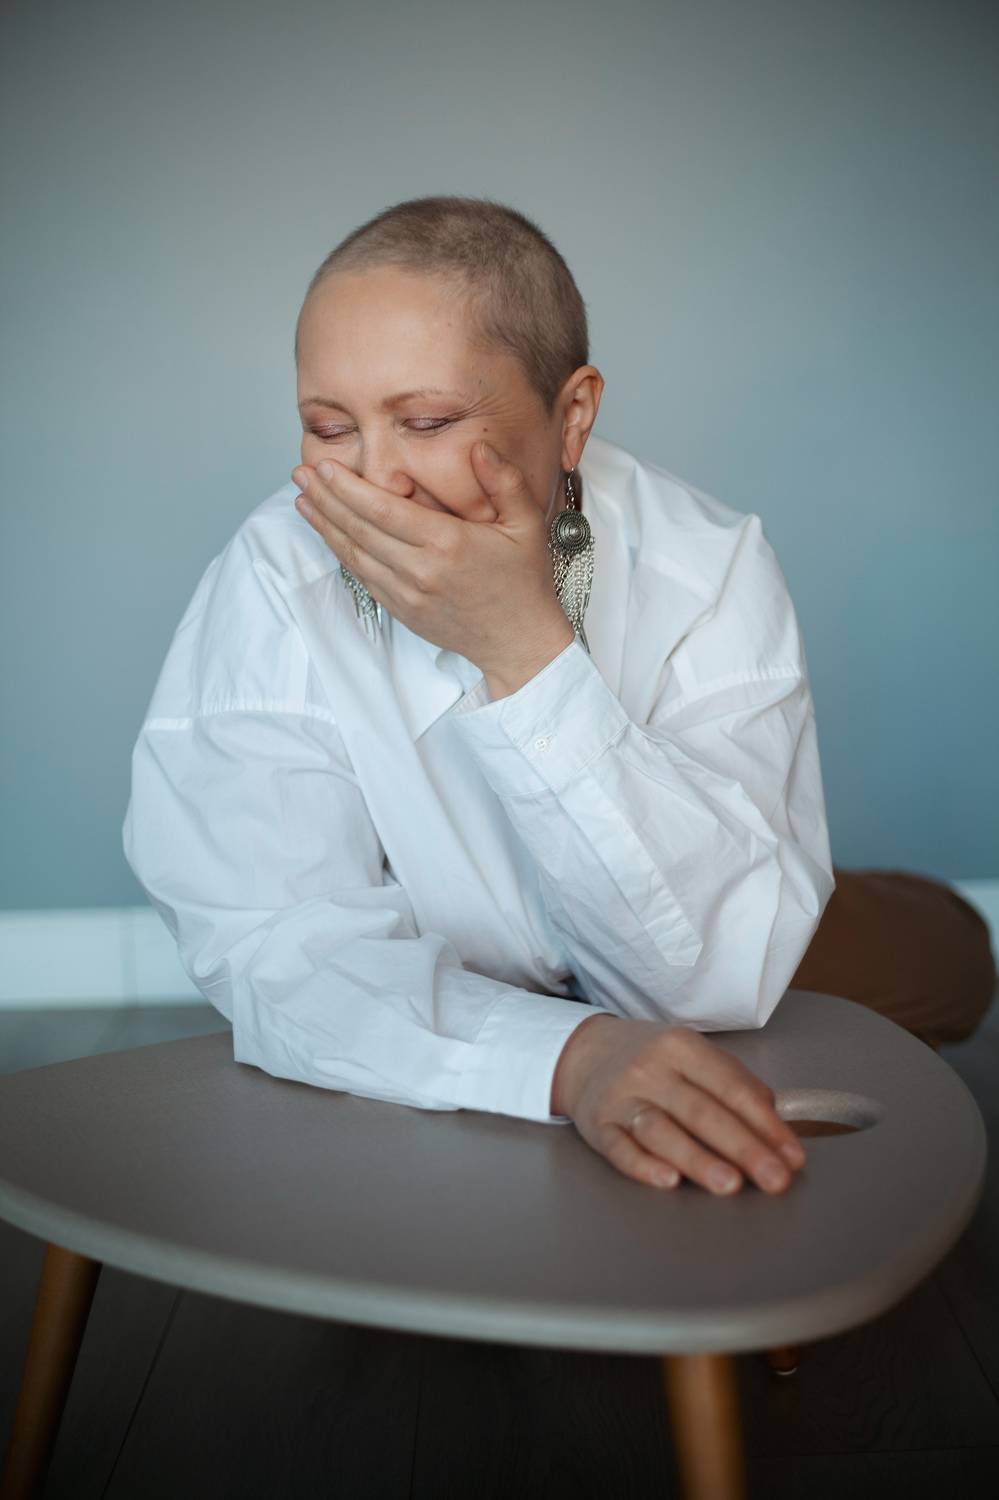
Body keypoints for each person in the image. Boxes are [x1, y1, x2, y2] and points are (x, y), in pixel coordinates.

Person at [122, 194, 994, 1205]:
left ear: (571, 415)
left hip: (706, 919)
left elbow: (708, 978)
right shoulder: (275, 575)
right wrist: (566, 1056)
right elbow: (274, 946)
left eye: (426, 422)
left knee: (949, 949)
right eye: (329, 427)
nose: (374, 481)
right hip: (447, 962)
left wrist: (524, 650)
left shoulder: (705, 564)